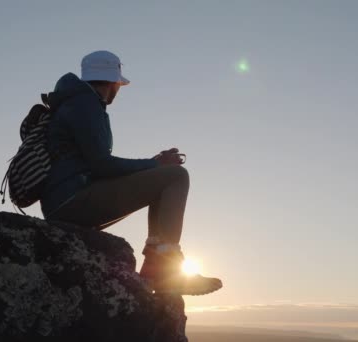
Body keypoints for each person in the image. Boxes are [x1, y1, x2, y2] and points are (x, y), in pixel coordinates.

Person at [40, 50, 222, 296]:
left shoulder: (74, 102)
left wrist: (153, 165)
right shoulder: (85, 104)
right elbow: (103, 166)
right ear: (113, 80)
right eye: (119, 83)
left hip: (63, 200)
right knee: (176, 177)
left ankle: (158, 265)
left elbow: (96, 166)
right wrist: (155, 165)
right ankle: (166, 269)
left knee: (162, 179)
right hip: (73, 201)